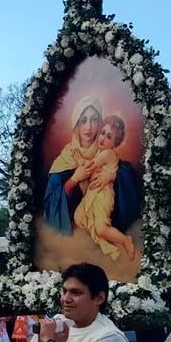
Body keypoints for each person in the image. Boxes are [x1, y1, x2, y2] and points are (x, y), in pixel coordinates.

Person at [42, 97, 141, 237]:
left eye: (94, 120)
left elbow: (130, 186)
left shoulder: (107, 154)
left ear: (100, 122)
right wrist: (74, 180)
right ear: (76, 124)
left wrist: (114, 175)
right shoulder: (65, 160)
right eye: (83, 121)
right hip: (75, 240)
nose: (88, 127)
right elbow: (50, 205)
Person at [74, 114, 136, 261]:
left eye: (108, 137)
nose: (102, 138)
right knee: (79, 218)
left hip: (103, 195)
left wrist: (77, 158)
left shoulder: (108, 154)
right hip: (92, 193)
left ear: (115, 143)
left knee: (101, 228)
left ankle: (124, 240)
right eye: (102, 133)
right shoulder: (99, 152)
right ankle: (106, 245)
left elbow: (89, 167)